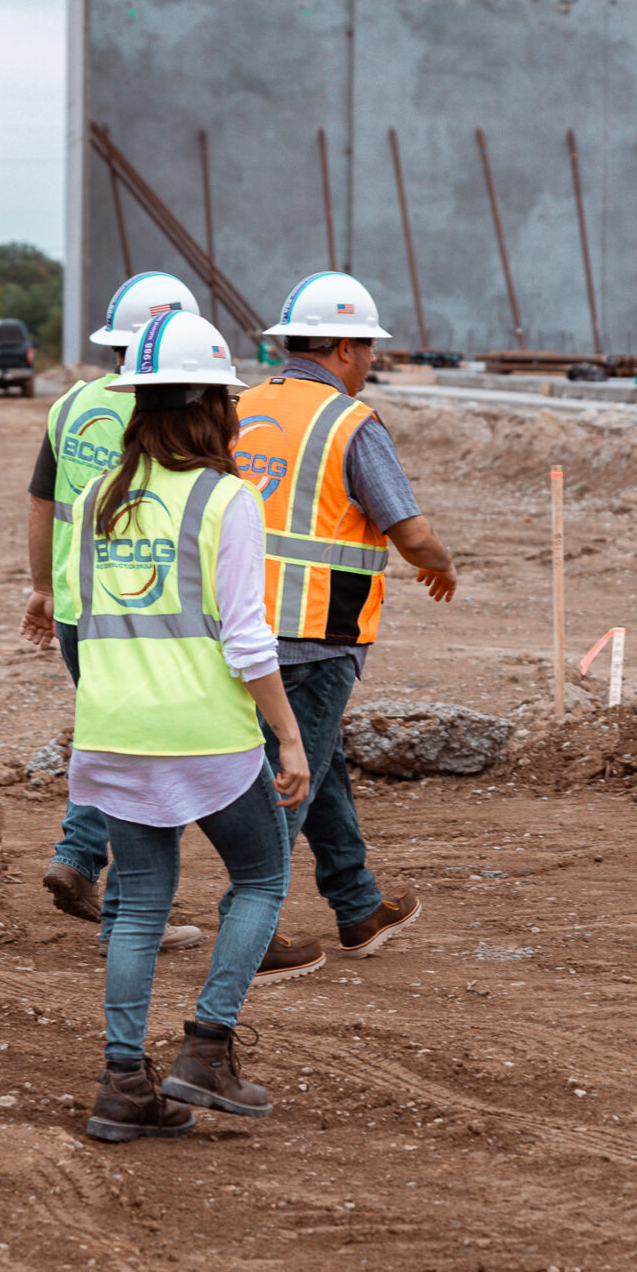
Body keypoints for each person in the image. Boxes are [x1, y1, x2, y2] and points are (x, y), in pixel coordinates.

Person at [65, 310, 310, 1142]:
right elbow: (246, 637)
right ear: (214, 404)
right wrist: (288, 733)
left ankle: (123, 1082)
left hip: (112, 729)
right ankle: (206, 1047)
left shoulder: (98, 497)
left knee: (137, 909)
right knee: (263, 877)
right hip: (204, 733)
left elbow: (77, 614)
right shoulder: (224, 499)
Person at [234, 271, 458, 979]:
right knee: (293, 779)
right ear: (339, 348)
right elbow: (411, 534)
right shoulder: (348, 423)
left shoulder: (242, 406)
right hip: (315, 633)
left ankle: (357, 907)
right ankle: (251, 930)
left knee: (315, 764)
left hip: (240, 624)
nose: (370, 362)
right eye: (366, 348)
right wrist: (442, 565)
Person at [23, 272, 204, 957]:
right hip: (141, 612)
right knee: (151, 755)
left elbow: (42, 503)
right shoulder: (174, 411)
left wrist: (42, 589)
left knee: (111, 734)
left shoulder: (71, 405)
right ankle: (135, 915)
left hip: (76, 603)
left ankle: (77, 853)